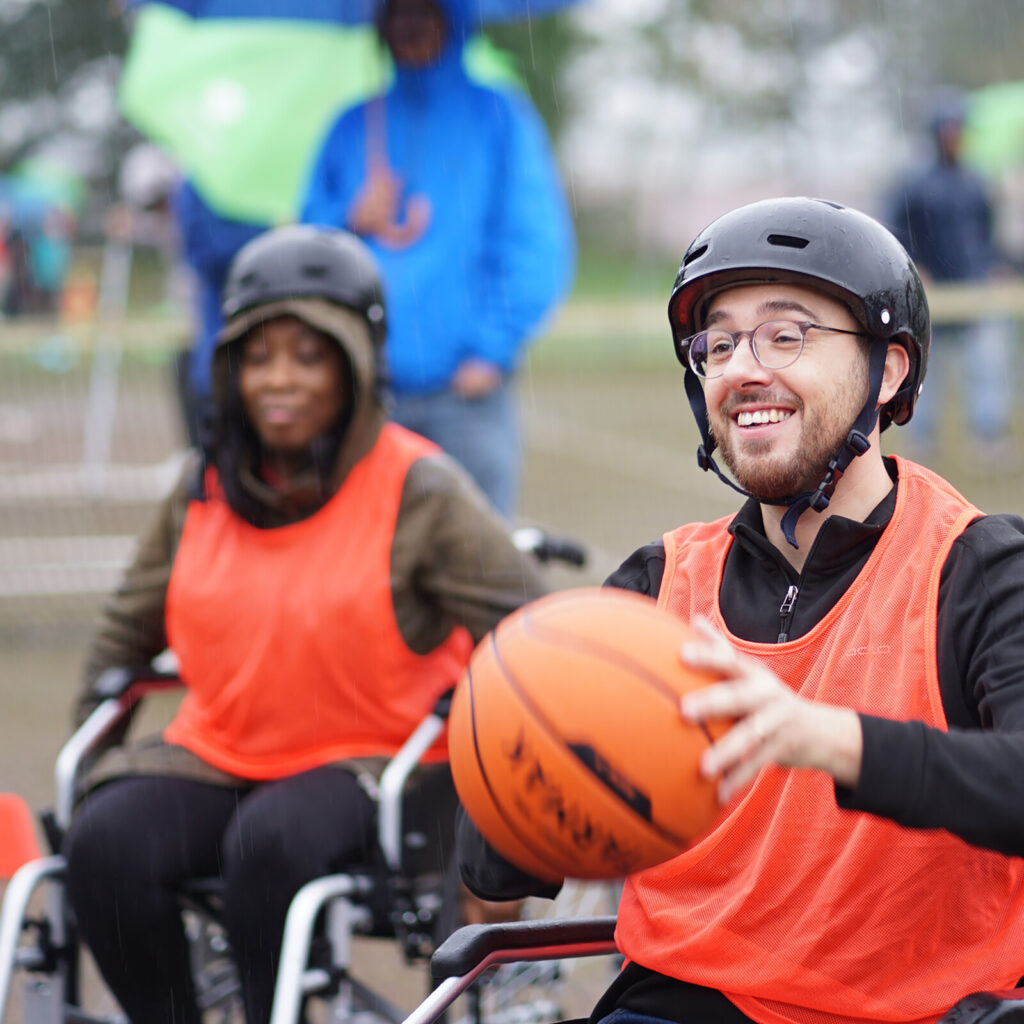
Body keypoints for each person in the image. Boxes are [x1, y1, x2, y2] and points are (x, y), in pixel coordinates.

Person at [458, 196, 1024, 1024]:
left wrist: (821, 739)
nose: (742, 367)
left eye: (786, 334)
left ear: (889, 370)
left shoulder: (979, 571)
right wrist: (515, 752)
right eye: (718, 344)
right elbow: (494, 875)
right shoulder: (655, 587)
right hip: (679, 1003)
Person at [63, 223, 549, 1024]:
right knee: (105, 843)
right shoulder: (200, 488)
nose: (278, 380)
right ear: (227, 371)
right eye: (257, 357)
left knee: (269, 844)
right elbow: (124, 630)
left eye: (308, 355)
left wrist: (505, 819)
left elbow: (539, 631)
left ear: (355, 365)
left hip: (378, 757)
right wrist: (91, 756)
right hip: (220, 752)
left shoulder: (419, 488)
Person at [300, 0, 575, 519]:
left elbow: (532, 238)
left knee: (475, 553)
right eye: (396, 15)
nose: (409, 27)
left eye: (422, 13)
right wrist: (349, 216)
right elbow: (308, 249)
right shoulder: (352, 127)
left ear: (453, 20)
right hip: (366, 390)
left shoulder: (497, 115)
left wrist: (492, 348)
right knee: (368, 547)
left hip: (464, 392)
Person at [885, 89, 1015, 460]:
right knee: (926, 371)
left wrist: (992, 265)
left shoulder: (975, 181)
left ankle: (987, 438)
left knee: (987, 366)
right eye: (948, 129)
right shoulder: (915, 183)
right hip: (932, 296)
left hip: (975, 292)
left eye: (959, 129)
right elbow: (897, 230)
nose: (954, 136)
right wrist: (915, 267)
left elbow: (987, 231)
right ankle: (920, 439)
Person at [172, 178, 268, 446]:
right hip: (222, 356)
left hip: (265, 355)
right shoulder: (199, 182)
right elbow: (204, 256)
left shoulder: (272, 182)